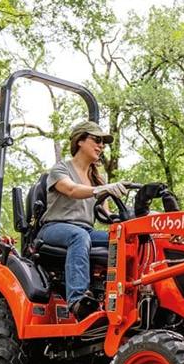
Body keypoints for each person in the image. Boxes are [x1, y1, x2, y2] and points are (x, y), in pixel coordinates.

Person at [37, 120, 130, 319]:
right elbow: (71, 190)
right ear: (80, 141)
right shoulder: (60, 169)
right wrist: (101, 189)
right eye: (97, 140)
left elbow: (106, 215)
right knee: (79, 237)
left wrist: (126, 220)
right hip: (55, 228)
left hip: (85, 231)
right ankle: (77, 301)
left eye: (103, 142)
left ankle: (125, 300)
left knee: (124, 239)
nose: (102, 146)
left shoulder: (98, 177)